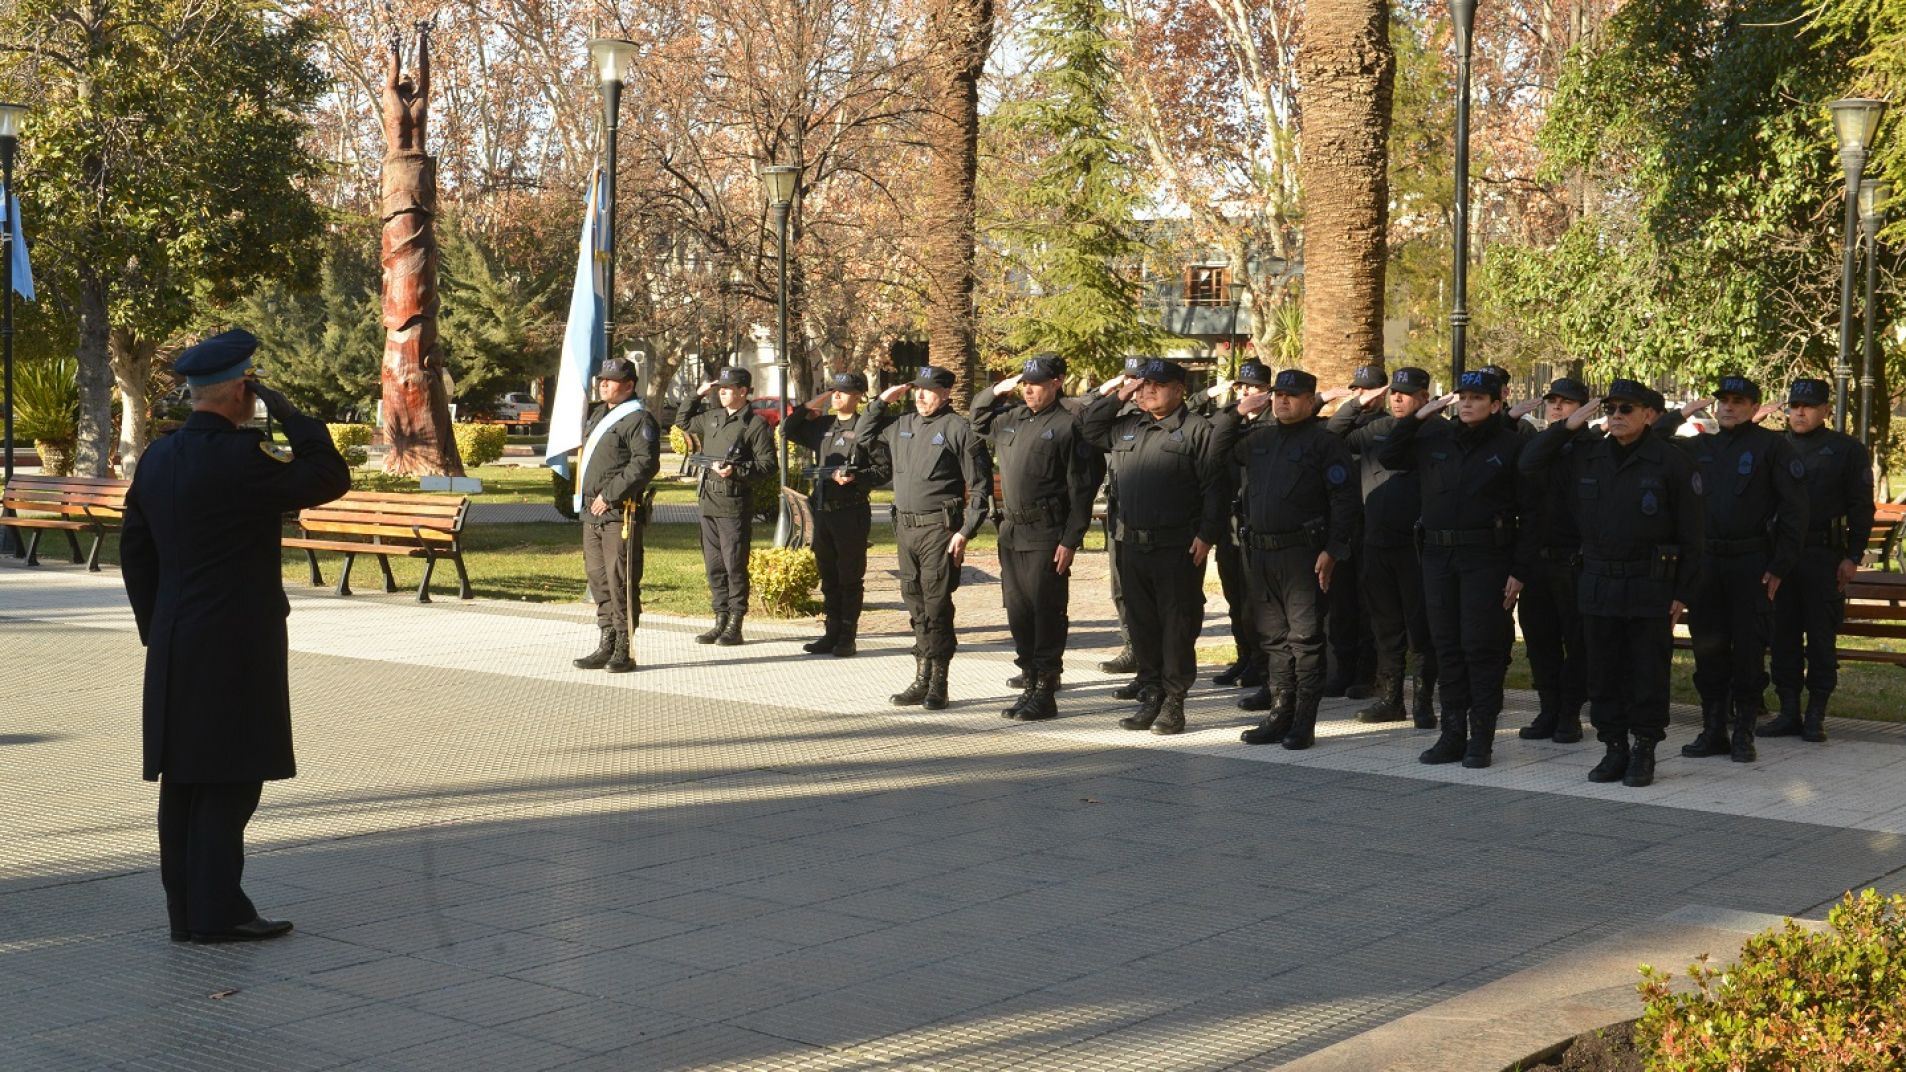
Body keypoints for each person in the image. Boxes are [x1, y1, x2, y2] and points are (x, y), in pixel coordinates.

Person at [120, 329, 351, 943]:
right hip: (235, 645)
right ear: (240, 390)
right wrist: (289, 409)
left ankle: (191, 914)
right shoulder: (245, 460)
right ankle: (218, 914)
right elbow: (329, 475)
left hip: (175, 641)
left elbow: (135, 551)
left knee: (186, 781)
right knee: (230, 776)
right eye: (251, 387)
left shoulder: (159, 457)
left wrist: (157, 625)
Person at [1520, 380, 1704, 788]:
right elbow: (1530, 463)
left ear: (1648, 415)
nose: (1616, 416)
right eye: (1612, 409)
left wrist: (1682, 593)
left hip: (1649, 584)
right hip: (1599, 581)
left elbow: (1693, 535)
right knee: (1602, 671)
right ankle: (1614, 745)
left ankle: (1644, 749)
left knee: (1645, 670)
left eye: (1626, 409)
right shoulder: (1587, 455)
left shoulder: (1671, 462)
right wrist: (1566, 426)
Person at [1378, 368, 1533, 769]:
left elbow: (1532, 513)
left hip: (1486, 559)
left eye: (1478, 398)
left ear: (1497, 404)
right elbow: (1390, 455)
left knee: (1479, 647)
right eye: (1462, 396)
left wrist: (1519, 569)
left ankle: (1481, 737)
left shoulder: (1511, 446)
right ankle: (1452, 734)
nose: (1467, 403)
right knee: (1446, 646)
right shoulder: (1434, 438)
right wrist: (1418, 416)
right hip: (1438, 558)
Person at [1658, 376, 1807, 763]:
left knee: (1748, 650)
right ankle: (1712, 731)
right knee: (1708, 649)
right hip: (1708, 564)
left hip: (1751, 563)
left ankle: (1744, 732)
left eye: (1738, 401)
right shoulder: (1700, 445)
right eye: (1723, 400)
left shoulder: (1772, 446)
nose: (1727, 407)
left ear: (1754, 407)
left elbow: (1795, 510)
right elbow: (1652, 441)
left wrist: (1779, 566)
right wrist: (1679, 413)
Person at [1218, 370, 1362, 748]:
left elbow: (1345, 502)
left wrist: (1333, 550)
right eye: (1278, 395)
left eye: (1292, 396)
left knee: (1305, 639)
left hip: (1304, 555)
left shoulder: (1325, 443)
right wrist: (1237, 411)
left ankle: (1303, 720)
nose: (1282, 401)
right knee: (1274, 640)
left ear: (1310, 400)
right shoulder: (1260, 439)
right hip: (1262, 554)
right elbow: (1216, 448)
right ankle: (1279, 713)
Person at [1081, 359, 1225, 735]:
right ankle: (1150, 694)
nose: (1148, 391)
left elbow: (1216, 488)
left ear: (1179, 389)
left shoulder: (1197, 430)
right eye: (1143, 385)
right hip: (1131, 545)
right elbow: (1089, 426)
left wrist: (1207, 535)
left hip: (1177, 547)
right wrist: (1122, 393)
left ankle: (1174, 703)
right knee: (1142, 625)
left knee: (1176, 627)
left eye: (1157, 385)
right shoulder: (1129, 425)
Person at [972, 355, 1098, 720]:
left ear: (1057, 382)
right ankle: (1028, 681)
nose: (1029, 388)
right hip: (1011, 532)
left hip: (1047, 533)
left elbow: (1082, 489)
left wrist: (1071, 540)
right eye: (1025, 382)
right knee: (1018, 612)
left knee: (1047, 612)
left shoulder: (1069, 425)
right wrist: (997, 389)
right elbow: (977, 420)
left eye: (1037, 382)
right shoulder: (1011, 419)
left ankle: (1046, 690)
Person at [861, 367, 993, 710]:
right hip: (905, 530)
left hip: (940, 531)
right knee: (914, 602)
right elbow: (862, 436)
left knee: (936, 606)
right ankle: (920, 676)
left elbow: (980, 487)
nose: (921, 396)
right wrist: (881, 401)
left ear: (947, 393)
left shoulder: (959, 429)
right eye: (917, 389)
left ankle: (939, 682)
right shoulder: (902, 425)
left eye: (930, 390)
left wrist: (966, 531)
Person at [1764, 378, 1876, 742]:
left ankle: (1816, 713)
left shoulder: (1846, 450)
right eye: (1795, 405)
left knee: (1821, 637)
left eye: (1809, 406)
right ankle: (1788, 710)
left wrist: (1853, 555)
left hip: (1822, 555)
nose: (1800, 412)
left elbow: (1861, 507)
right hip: (1782, 556)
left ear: (1825, 411)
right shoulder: (1775, 446)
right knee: (1782, 635)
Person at [1326, 366, 1438, 728]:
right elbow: (1333, 437)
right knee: (1385, 627)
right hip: (1376, 543)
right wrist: (1357, 403)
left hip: (1417, 547)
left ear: (1425, 396)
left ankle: (1423, 701)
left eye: (1407, 393)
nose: (1398, 398)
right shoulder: (1378, 428)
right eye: (1394, 393)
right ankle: (1390, 698)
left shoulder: (1440, 432)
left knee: (1421, 628)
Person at [784, 372, 893, 658]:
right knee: (828, 576)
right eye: (834, 391)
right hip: (823, 512)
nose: (837, 396)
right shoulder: (823, 426)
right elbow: (788, 429)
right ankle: (830, 632)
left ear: (858, 396)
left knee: (849, 577)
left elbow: (883, 471)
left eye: (844, 392)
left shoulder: (867, 428)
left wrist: (855, 478)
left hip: (850, 513)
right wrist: (815, 401)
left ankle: (847, 636)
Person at [1512, 377, 1592, 743]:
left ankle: (1570, 713)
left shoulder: (1594, 448)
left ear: (1585, 409)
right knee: (1539, 640)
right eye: (1552, 402)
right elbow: (1527, 465)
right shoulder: (1541, 446)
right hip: (1539, 561)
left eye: (1567, 402)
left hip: (1575, 561)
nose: (1557, 407)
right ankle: (1548, 708)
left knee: (1576, 642)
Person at [570, 357, 662, 673]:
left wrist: (609, 495)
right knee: (598, 578)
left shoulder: (638, 419)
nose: (603, 384)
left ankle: (625, 646)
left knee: (620, 578)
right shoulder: (600, 414)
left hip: (618, 512)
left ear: (629, 385)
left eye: (610, 380)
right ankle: (606, 640)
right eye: (602, 380)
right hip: (592, 513)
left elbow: (645, 464)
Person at [674, 366, 777, 646]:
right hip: (708, 499)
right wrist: (697, 395)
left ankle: (735, 622)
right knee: (714, 565)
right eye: (720, 388)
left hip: (734, 502)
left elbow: (768, 467)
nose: (722, 392)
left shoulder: (755, 425)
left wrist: (736, 471)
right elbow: (682, 421)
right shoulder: (712, 417)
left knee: (734, 564)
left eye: (728, 388)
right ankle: (719, 619)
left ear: (743, 391)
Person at [1319, 365, 1386, 699]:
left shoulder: (1385, 425)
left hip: (1373, 524)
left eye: (1368, 391)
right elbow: (1331, 433)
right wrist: (1353, 406)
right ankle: (1343, 669)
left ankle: (1366, 672)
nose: (1362, 396)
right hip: (1345, 525)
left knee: (1368, 603)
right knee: (1342, 602)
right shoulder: (1350, 423)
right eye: (1357, 391)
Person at [1211, 361, 1272, 694]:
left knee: (1254, 601)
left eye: (1254, 388)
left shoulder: (1272, 425)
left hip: (1256, 523)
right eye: (1241, 388)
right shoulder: (1229, 422)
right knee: (1234, 598)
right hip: (1229, 523)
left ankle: (1260, 662)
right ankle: (1244, 655)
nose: (1246, 393)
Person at [1099, 354, 1150, 683]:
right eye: (1127, 378)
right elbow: (1083, 418)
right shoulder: (1115, 414)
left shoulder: (1149, 416)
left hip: (1150, 516)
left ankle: (1149, 659)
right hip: (1118, 514)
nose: (1133, 386)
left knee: (1148, 593)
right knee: (1120, 588)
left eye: (1138, 380)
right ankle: (1131, 646)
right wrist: (1109, 392)